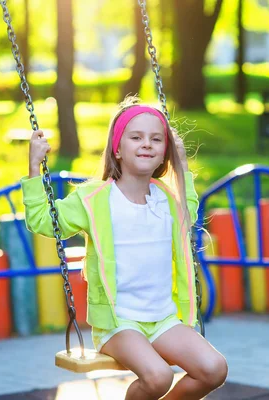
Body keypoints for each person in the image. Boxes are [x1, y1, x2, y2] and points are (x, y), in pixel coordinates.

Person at [21, 96, 228, 400]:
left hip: (164, 318)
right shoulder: (94, 199)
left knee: (215, 369)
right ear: (117, 149)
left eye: (156, 139)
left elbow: (189, 211)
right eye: (136, 137)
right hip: (118, 324)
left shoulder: (167, 198)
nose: (147, 144)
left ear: (163, 155)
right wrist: (33, 168)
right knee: (157, 377)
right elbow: (44, 221)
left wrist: (182, 165)